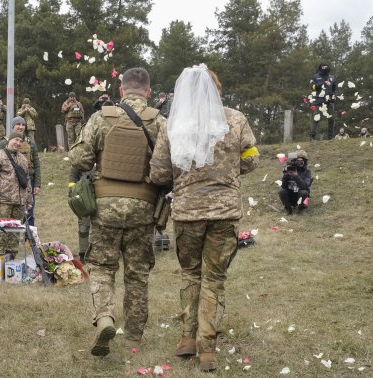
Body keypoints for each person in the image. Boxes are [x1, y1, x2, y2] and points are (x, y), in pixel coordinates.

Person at [149, 64, 259, 372]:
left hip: (187, 214)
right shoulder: (236, 119)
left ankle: (187, 338)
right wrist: (229, 171)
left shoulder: (172, 125)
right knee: (215, 278)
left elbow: (158, 172)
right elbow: (252, 159)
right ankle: (207, 348)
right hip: (225, 212)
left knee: (191, 274)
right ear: (217, 90)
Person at [69, 67, 165, 356]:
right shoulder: (160, 121)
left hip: (106, 206)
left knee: (101, 267)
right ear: (148, 92)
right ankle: (134, 332)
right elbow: (169, 167)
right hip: (143, 208)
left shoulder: (102, 117)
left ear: (121, 90)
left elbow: (80, 159)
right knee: (137, 272)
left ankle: (105, 318)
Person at [0, 132, 32, 255]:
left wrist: (29, 200)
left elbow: (27, 180)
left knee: (14, 235)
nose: (18, 143)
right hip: (3, 203)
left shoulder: (23, 159)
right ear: (9, 140)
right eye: (16, 140)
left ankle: (11, 264)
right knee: (1, 234)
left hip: (19, 203)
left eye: (20, 141)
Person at [0, 117, 41, 225]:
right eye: (18, 124)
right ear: (13, 126)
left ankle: (29, 240)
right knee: (11, 215)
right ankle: (13, 238)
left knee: (29, 212)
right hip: (9, 184)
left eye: (23, 125)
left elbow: (36, 164)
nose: (21, 127)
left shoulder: (30, 143)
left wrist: (37, 184)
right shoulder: (4, 143)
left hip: (27, 182)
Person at [309, 62, 337, 140]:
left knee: (331, 118)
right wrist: (322, 83)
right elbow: (312, 87)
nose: (325, 69)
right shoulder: (315, 77)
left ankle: (330, 138)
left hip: (329, 102)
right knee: (316, 118)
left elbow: (334, 88)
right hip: (318, 101)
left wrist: (334, 96)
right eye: (323, 68)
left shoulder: (332, 77)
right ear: (320, 68)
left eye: (326, 68)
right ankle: (312, 137)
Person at [279, 150, 312, 215]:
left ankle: (301, 209)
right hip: (290, 195)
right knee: (281, 191)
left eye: (302, 161)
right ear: (294, 162)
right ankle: (288, 209)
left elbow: (305, 186)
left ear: (305, 162)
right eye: (298, 161)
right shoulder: (289, 170)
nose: (300, 163)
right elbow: (284, 186)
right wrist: (286, 176)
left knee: (304, 192)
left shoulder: (307, 171)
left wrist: (296, 176)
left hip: (301, 196)